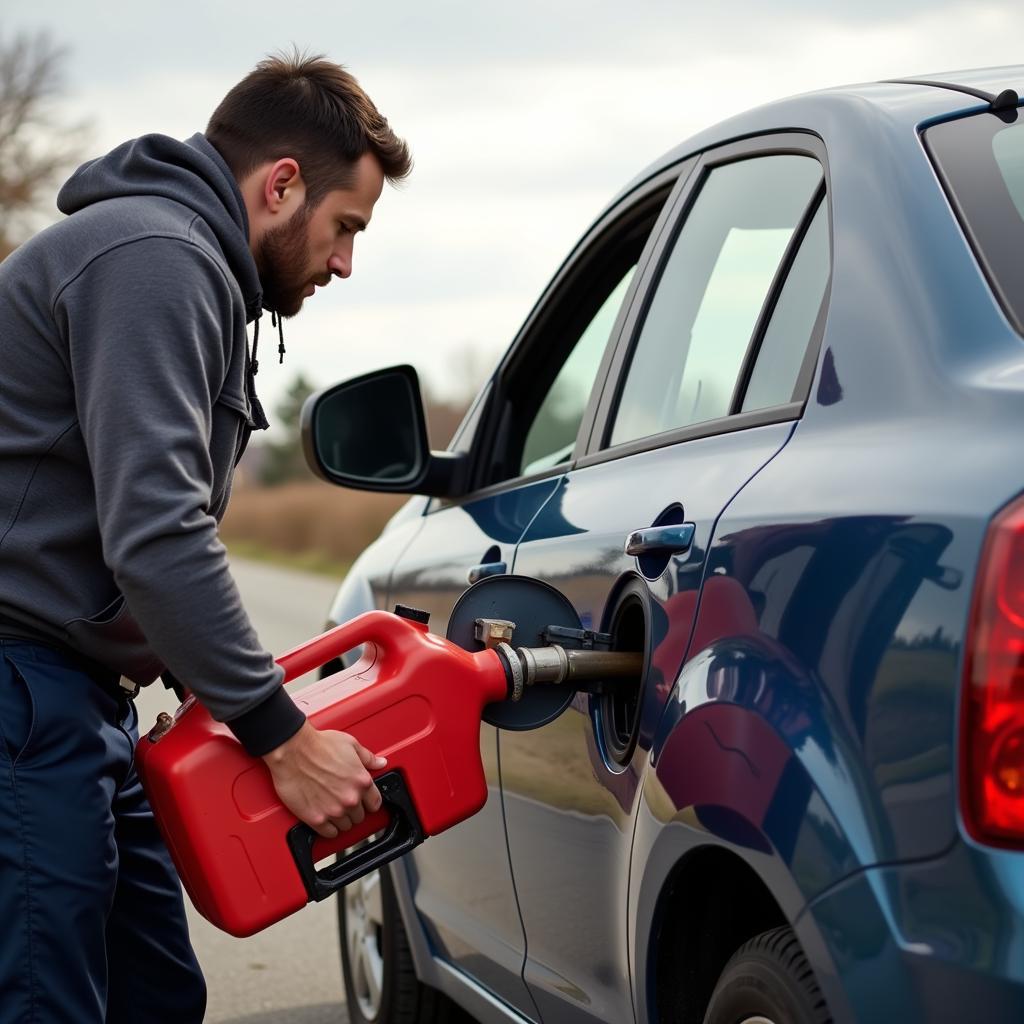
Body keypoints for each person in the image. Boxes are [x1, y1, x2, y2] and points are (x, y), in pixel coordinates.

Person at [0, 52, 412, 1022]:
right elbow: (156, 534)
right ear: (280, 185)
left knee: (154, 992)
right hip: (21, 691)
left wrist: (212, 689)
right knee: (44, 1000)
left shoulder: (186, 264)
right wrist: (280, 734)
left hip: (74, 695)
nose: (344, 262)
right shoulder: (157, 258)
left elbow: (132, 527)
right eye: (344, 226)